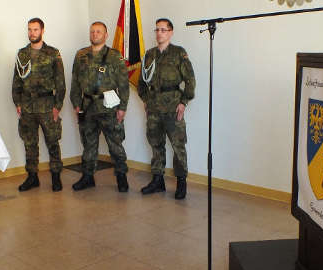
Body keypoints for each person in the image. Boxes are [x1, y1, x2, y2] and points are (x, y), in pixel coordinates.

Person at [137, 18, 196, 199]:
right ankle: (158, 181)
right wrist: (146, 99)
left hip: (172, 107)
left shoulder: (179, 53)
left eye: (163, 30)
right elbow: (141, 82)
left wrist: (183, 102)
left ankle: (181, 182)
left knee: (178, 146)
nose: (159, 33)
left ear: (170, 32)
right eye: (157, 30)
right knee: (156, 144)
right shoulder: (149, 55)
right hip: (154, 107)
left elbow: (190, 80)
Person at [69, 21, 130, 192]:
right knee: (88, 144)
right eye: (92, 31)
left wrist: (122, 107)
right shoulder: (81, 55)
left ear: (106, 35)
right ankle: (88, 177)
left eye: (99, 32)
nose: (95, 34)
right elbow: (75, 81)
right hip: (87, 107)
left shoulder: (114, 56)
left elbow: (123, 84)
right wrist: (76, 103)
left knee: (115, 144)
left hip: (109, 107)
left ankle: (121, 177)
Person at [12, 17, 66, 192]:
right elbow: (16, 80)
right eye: (29, 29)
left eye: (35, 29)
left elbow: (60, 82)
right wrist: (17, 102)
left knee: (52, 141)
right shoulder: (22, 53)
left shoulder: (53, 53)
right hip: (27, 105)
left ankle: (56, 176)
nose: (32, 33)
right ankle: (32, 177)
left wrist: (57, 106)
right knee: (29, 143)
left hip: (47, 104)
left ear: (42, 31)